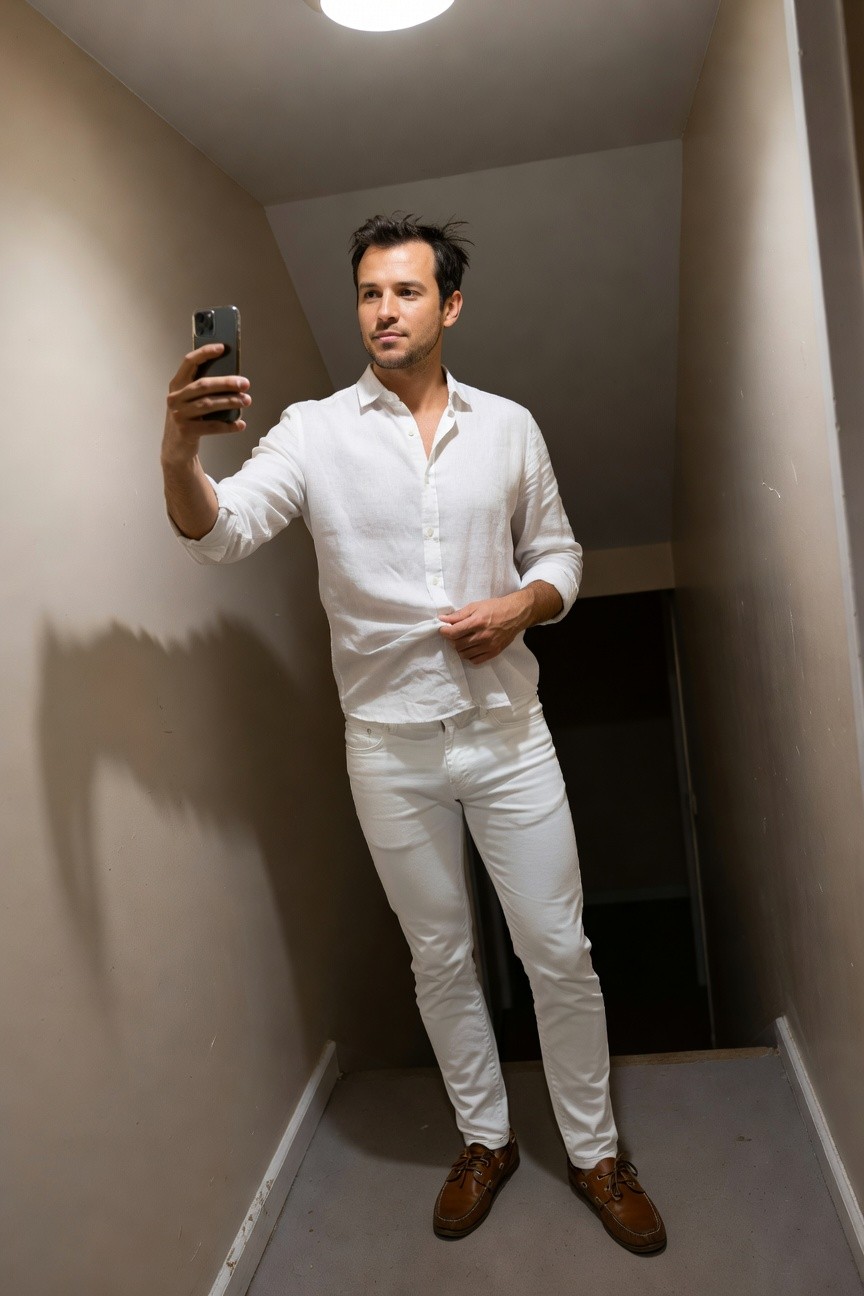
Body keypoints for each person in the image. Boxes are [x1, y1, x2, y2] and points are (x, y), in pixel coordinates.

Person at [161, 214, 666, 1254]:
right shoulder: (311, 431)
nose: (383, 311)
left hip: (510, 734)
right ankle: (486, 1141)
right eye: (367, 294)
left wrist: (523, 608)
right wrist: (178, 447)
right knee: (440, 957)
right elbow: (219, 533)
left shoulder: (511, 427)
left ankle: (596, 1151)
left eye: (404, 292)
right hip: (388, 750)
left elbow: (563, 555)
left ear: (450, 305)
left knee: (558, 952)